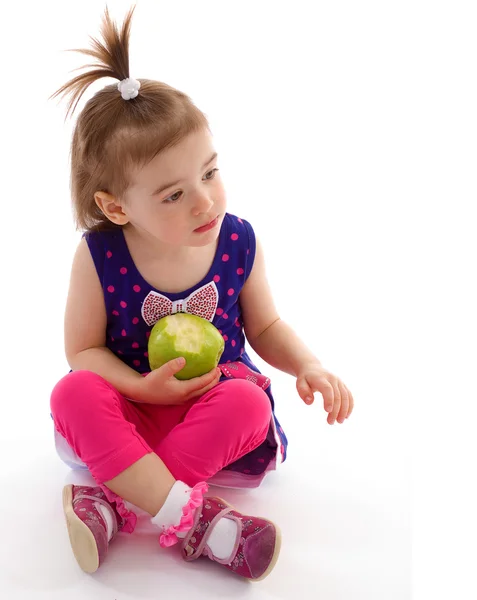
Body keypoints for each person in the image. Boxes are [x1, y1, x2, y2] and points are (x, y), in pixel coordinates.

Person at [49, 5, 354, 582]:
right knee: (73, 394)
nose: (204, 202)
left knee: (249, 402)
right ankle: (194, 522)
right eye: (172, 195)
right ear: (116, 207)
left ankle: (116, 503)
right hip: (132, 416)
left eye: (209, 174)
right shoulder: (98, 257)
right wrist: (140, 387)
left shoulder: (238, 240)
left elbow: (264, 328)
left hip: (210, 424)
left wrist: (307, 365)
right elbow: (83, 353)